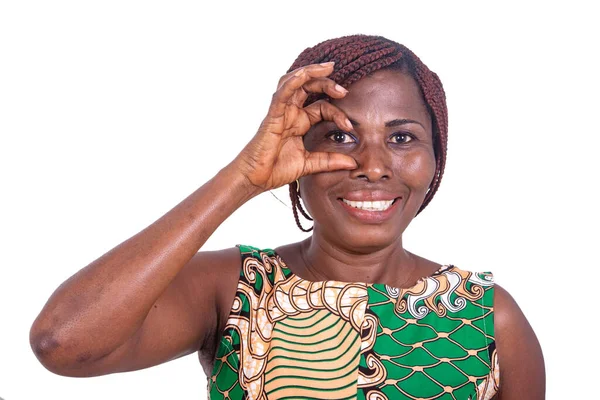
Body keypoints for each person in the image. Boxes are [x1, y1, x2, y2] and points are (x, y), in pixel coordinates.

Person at [29, 34, 545, 399]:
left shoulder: (488, 319)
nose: (372, 166)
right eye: (340, 136)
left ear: (437, 158)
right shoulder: (235, 288)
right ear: (294, 155)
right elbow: (63, 342)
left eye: (402, 137)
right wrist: (244, 176)